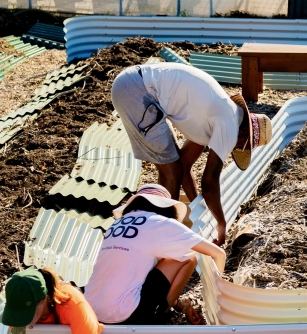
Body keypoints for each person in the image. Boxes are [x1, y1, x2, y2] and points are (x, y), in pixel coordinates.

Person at [110, 62, 272, 246]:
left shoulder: (216, 117)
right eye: (243, 147)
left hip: (135, 85)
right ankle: (162, 240)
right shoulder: (230, 126)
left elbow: (185, 167)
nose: (236, 149)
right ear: (245, 135)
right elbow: (209, 182)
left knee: (175, 167)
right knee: (171, 170)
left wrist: (198, 212)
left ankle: (162, 231)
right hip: (138, 91)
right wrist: (221, 223)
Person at [85, 184, 226, 325]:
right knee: (189, 256)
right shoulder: (161, 223)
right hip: (124, 314)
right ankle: (159, 314)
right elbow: (219, 254)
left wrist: (182, 306)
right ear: (167, 207)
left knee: (166, 259)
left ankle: (165, 306)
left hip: (90, 311)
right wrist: (219, 302)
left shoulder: (117, 224)